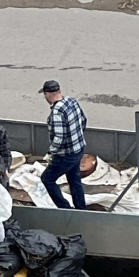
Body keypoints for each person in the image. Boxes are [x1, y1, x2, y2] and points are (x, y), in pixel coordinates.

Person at [39, 80, 88, 210]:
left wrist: (51, 152)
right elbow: (83, 121)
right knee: (74, 180)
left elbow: (59, 138)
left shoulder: (57, 112)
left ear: (47, 94)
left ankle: (65, 209)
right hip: (79, 149)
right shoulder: (72, 101)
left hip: (66, 155)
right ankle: (82, 210)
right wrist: (75, 138)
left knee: (47, 179)